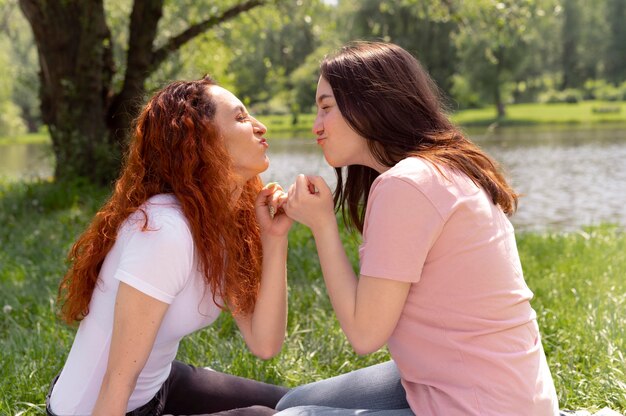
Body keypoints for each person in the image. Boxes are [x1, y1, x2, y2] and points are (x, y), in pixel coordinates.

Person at [278, 42, 560, 415]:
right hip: (510, 393)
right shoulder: (440, 168)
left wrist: (322, 225)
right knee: (293, 400)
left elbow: (365, 334)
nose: (316, 125)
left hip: (481, 406)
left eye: (326, 107)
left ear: (370, 105)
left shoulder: (408, 184)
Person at [46, 76, 292, 416]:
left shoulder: (223, 220)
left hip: (159, 385)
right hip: (102, 407)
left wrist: (275, 239)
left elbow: (264, 343)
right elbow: (118, 380)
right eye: (240, 118)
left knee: (293, 404)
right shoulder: (164, 231)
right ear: (202, 139)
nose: (260, 126)